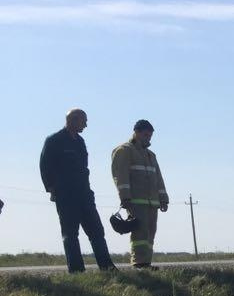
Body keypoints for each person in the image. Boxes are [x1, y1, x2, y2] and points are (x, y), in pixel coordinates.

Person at [39, 108, 116, 273]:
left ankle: (107, 267)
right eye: (84, 121)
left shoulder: (80, 142)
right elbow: (45, 167)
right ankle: (76, 270)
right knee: (71, 234)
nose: (86, 125)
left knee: (97, 231)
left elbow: (84, 168)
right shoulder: (54, 140)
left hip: (84, 194)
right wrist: (52, 190)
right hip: (65, 196)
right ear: (73, 120)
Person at [110, 119, 169, 268]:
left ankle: (146, 263)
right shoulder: (124, 151)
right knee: (140, 234)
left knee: (150, 233)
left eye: (150, 135)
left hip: (152, 202)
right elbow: (120, 175)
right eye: (145, 134)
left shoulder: (150, 155)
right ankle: (139, 264)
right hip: (135, 201)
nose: (148, 138)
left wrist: (163, 198)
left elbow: (158, 178)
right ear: (136, 132)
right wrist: (125, 197)